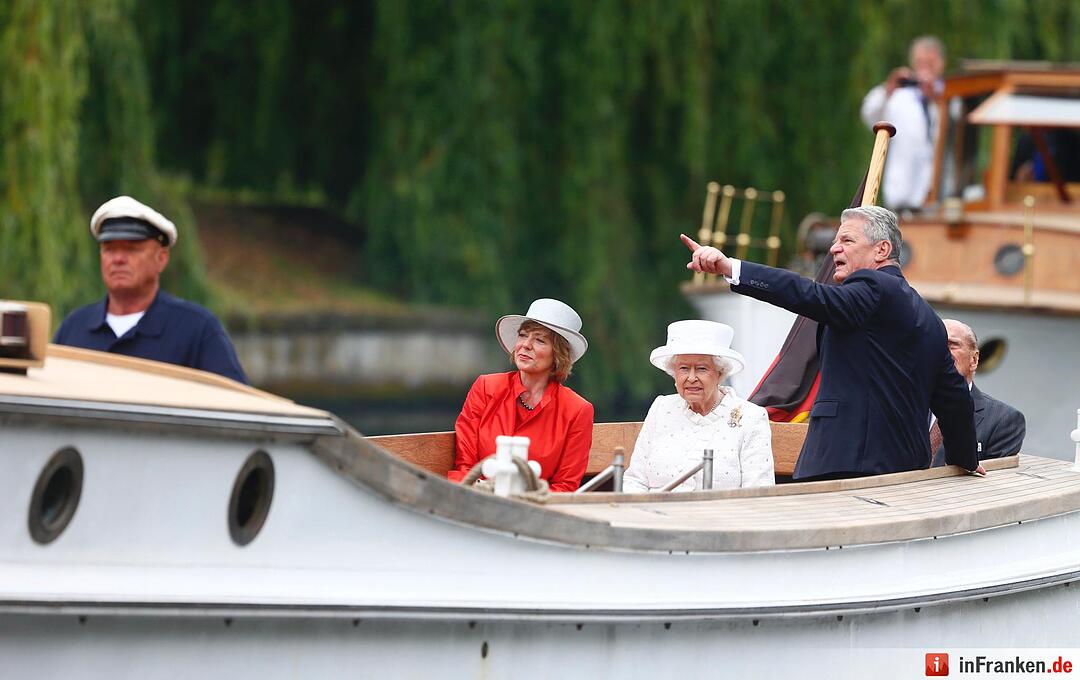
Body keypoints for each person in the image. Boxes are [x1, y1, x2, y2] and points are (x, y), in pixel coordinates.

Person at [681, 205, 985, 480]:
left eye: (847, 241)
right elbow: (954, 398)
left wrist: (732, 269)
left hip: (844, 467)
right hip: (903, 470)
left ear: (882, 249)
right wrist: (966, 459)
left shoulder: (873, 287)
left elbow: (810, 295)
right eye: (836, 241)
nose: (833, 248)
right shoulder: (930, 319)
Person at [53, 196, 248, 383]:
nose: (118, 259)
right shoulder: (74, 328)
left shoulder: (196, 330)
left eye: (132, 249)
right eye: (109, 249)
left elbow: (237, 407)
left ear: (161, 259)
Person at [448, 298, 594, 492]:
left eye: (540, 340)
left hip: (536, 511)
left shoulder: (577, 410)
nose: (525, 345)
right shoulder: (485, 387)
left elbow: (565, 487)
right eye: (523, 335)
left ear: (558, 354)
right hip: (475, 497)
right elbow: (465, 466)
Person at [622, 320, 774, 493]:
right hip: (655, 516)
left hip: (720, 517)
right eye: (684, 368)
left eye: (701, 369)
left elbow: (758, 493)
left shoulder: (750, 417)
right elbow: (635, 480)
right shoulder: (661, 407)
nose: (691, 377)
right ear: (674, 372)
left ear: (720, 373)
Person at [860, 36, 946, 211]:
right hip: (901, 198)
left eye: (930, 63)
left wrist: (937, 99)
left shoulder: (948, 99)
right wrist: (889, 88)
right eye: (921, 63)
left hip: (935, 199)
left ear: (941, 64)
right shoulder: (900, 97)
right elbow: (869, 114)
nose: (925, 70)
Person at [930, 319, 1025, 466]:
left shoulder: (1004, 420)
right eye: (935, 344)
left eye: (952, 345)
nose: (942, 351)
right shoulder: (905, 406)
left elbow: (991, 483)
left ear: (974, 360)